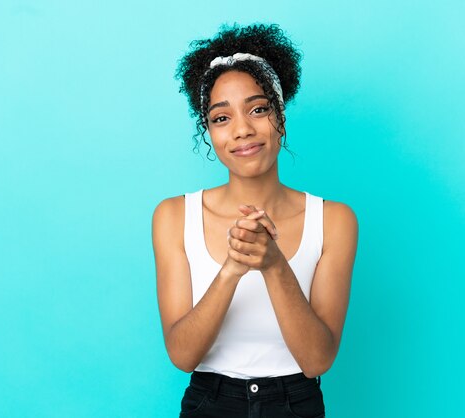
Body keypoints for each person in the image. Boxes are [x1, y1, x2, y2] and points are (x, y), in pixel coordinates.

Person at [152, 23, 359, 418]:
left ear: (280, 115)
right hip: (209, 402)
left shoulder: (334, 220)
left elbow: (317, 360)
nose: (243, 130)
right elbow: (182, 354)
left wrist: (273, 263)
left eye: (258, 109)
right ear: (209, 131)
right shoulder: (173, 216)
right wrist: (232, 268)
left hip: (296, 403)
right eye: (221, 118)